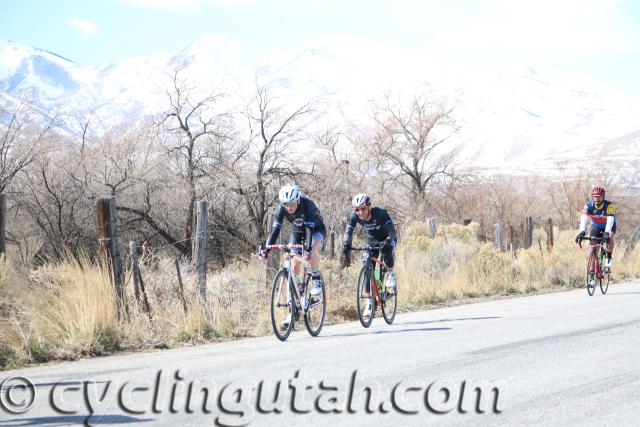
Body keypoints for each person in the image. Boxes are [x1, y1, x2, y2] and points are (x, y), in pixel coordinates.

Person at [259, 184, 326, 327]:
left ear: (298, 200)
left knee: (312, 250)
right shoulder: (281, 208)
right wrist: (266, 250)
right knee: (292, 263)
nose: (289, 207)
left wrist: (307, 250)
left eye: (292, 204)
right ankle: (293, 308)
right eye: (286, 204)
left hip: (315, 229)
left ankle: (315, 278)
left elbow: (309, 229)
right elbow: (275, 231)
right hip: (297, 231)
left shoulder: (308, 205)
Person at [342, 193, 398, 320]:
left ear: (369, 207)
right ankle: (369, 301)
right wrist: (346, 242)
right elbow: (348, 231)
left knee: (386, 250)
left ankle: (390, 273)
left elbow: (392, 231)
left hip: (387, 238)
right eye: (357, 209)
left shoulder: (380, 213)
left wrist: (389, 241)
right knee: (367, 264)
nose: (360, 212)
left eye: (363, 209)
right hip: (372, 240)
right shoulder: (355, 216)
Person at [575, 186, 617, 268]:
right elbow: (584, 219)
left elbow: (610, 220)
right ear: (592, 197)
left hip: (609, 226)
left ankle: (609, 257)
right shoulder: (589, 206)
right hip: (596, 226)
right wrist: (581, 231)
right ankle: (593, 273)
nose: (597, 199)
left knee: (610, 238)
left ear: (603, 197)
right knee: (593, 249)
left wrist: (607, 232)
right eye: (595, 197)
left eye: (599, 197)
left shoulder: (609, 206)